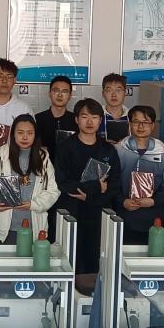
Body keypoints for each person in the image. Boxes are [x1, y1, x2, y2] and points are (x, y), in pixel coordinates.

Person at [55, 99, 122, 273]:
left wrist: (90, 197)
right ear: (76, 120)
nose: (90, 121)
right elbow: (62, 182)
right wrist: (95, 187)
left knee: (97, 261)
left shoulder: (108, 150)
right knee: (70, 260)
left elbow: (115, 184)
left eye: (95, 117)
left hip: (99, 213)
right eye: (85, 117)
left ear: (101, 120)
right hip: (71, 212)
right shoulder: (65, 147)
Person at [0, 114, 60, 244]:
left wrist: (34, 204)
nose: (25, 137)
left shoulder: (43, 157)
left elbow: (53, 191)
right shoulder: (0, 155)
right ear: (13, 134)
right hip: (4, 230)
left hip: (34, 229)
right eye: (20, 132)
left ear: (35, 135)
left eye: (30, 133)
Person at [115, 105, 164, 246]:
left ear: (152, 125)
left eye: (146, 122)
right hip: (123, 217)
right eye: (136, 122)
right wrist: (122, 201)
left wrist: (153, 201)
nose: (141, 126)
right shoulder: (118, 151)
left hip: (153, 220)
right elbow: (111, 183)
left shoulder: (163, 154)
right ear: (129, 124)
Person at [34, 75, 75, 166]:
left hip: (68, 169)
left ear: (70, 95)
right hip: (43, 168)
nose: (60, 95)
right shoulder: (38, 119)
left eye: (64, 91)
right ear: (49, 93)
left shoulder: (76, 120)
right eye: (56, 90)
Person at [99, 73, 130, 143]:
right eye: (109, 90)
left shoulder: (132, 117)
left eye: (118, 90)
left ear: (125, 93)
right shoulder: (96, 115)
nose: (114, 95)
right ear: (103, 94)